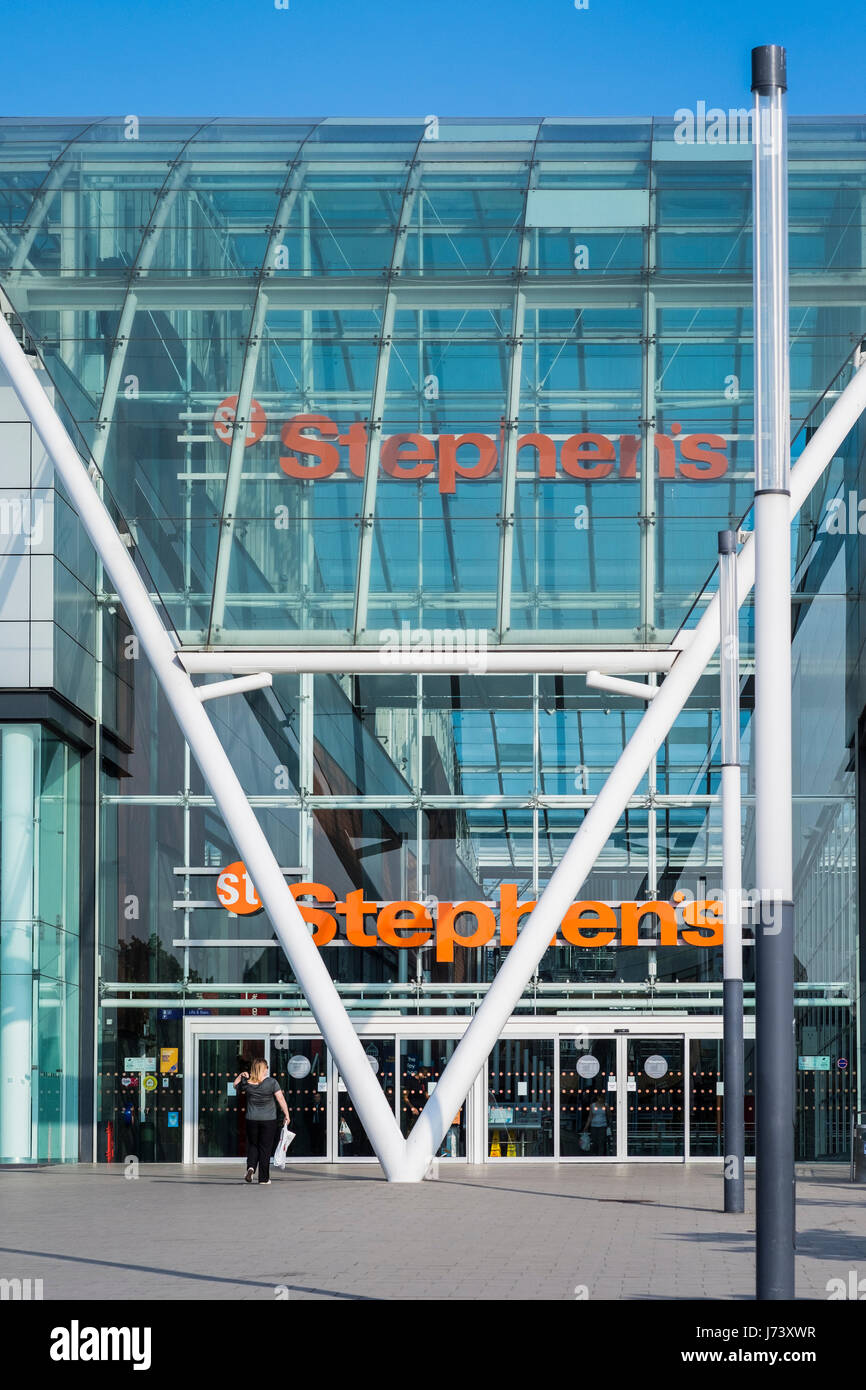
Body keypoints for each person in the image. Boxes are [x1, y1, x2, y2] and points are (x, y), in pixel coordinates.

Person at [233, 1058, 290, 1185]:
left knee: (253, 1145)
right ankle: (263, 1178)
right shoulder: (272, 1082)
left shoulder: (247, 1083)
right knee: (265, 1148)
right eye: (266, 1067)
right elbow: (280, 1099)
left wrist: (241, 1075)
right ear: (263, 1069)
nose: (267, 1069)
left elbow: (235, 1085)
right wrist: (287, 1114)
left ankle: (251, 1168)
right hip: (268, 1120)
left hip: (251, 1119)